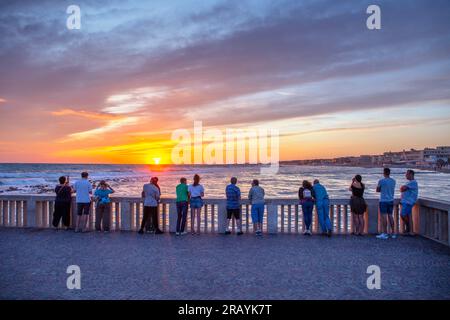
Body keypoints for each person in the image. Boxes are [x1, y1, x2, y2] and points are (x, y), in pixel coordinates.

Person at [376, 168, 396, 240]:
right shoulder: (393, 181)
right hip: (391, 200)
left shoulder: (381, 181)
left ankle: (385, 233)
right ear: (389, 173)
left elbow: (377, 190)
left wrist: (382, 188)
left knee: (384, 217)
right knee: (390, 216)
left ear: (384, 173)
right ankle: (393, 233)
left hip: (383, 200)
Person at [400, 169, 418, 236]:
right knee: (407, 216)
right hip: (406, 201)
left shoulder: (413, 182)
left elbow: (402, 189)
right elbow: (402, 189)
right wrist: (403, 188)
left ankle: (409, 228)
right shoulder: (409, 182)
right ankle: (409, 230)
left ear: (411, 174)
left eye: (407, 174)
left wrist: (403, 188)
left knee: (403, 214)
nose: (406, 175)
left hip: (408, 202)